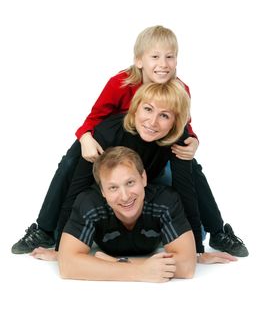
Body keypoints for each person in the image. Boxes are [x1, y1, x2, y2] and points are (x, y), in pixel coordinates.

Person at [11, 25, 248, 257]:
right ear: (139, 60)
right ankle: (44, 230)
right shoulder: (121, 83)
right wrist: (85, 138)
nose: (162, 64)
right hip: (111, 143)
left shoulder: (180, 89)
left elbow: (182, 125)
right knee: (70, 163)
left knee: (191, 170)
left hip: (153, 152)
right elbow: (95, 119)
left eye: (169, 57)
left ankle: (218, 232)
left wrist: (192, 140)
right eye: (155, 56)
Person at [32, 81, 237, 265]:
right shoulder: (108, 132)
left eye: (164, 115)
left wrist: (197, 252)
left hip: (149, 182)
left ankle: (216, 231)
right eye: (147, 109)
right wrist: (61, 249)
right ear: (135, 109)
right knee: (82, 212)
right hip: (112, 185)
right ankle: (49, 231)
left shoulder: (178, 139)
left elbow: (186, 189)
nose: (153, 122)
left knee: (194, 227)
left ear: (175, 122)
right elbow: (77, 186)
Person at [32, 146, 237, 282]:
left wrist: (110, 263)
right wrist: (139, 272)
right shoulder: (89, 202)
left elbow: (187, 266)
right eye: (113, 188)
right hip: (104, 231)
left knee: (196, 236)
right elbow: (67, 266)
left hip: (161, 230)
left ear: (144, 178)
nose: (124, 196)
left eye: (130, 183)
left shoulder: (165, 201)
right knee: (65, 239)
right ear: (102, 191)